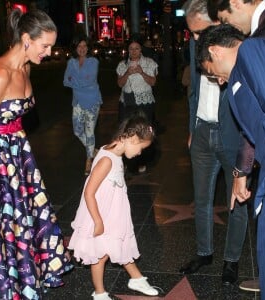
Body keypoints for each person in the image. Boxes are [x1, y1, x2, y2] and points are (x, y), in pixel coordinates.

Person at [0, 8, 73, 299]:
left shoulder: (25, 68)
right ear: (25, 39)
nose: (48, 52)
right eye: (44, 45)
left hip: (17, 157)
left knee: (20, 224)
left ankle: (19, 282)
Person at [196, 23, 265, 300]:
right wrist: (241, 172)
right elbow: (253, 130)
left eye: (212, 73)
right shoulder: (241, 74)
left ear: (215, 50)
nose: (218, 81)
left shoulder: (253, 50)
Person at [178, 0, 248, 286]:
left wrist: (248, 144)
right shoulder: (197, 48)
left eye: (199, 32)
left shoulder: (239, 51)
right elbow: (193, 90)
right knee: (202, 198)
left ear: (218, 23)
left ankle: (231, 261)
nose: (196, 39)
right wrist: (192, 125)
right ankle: (204, 253)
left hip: (233, 135)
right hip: (202, 133)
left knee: (237, 200)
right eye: (191, 33)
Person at [68, 113, 159, 300]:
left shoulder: (113, 152)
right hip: (101, 213)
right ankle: (99, 293)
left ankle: (136, 278)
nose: (140, 153)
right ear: (132, 139)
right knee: (100, 254)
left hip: (114, 211)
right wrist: (98, 221)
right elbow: (89, 193)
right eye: (141, 148)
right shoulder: (106, 160)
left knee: (121, 243)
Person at [116, 36, 158, 174]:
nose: (134, 51)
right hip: (126, 102)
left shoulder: (149, 63)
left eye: (137, 48)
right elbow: (120, 84)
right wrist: (127, 72)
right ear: (128, 50)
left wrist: (142, 72)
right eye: (131, 49)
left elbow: (153, 82)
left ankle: (142, 160)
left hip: (144, 102)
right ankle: (127, 161)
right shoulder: (122, 65)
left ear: (141, 50)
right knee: (126, 132)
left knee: (143, 132)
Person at [63, 36, 102, 175]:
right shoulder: (71, 62)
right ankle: (94, 150)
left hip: (92, 101)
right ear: (75, 48)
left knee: (89, 132)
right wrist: (78, 81)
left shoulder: (93, 61)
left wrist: (74, 79)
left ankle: (89, 160)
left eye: (84, 46)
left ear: (88, 48)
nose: (82, 49)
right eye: (79, 46)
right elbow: (65, 81)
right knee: (78, 131)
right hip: (78, 101)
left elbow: (90, 80)